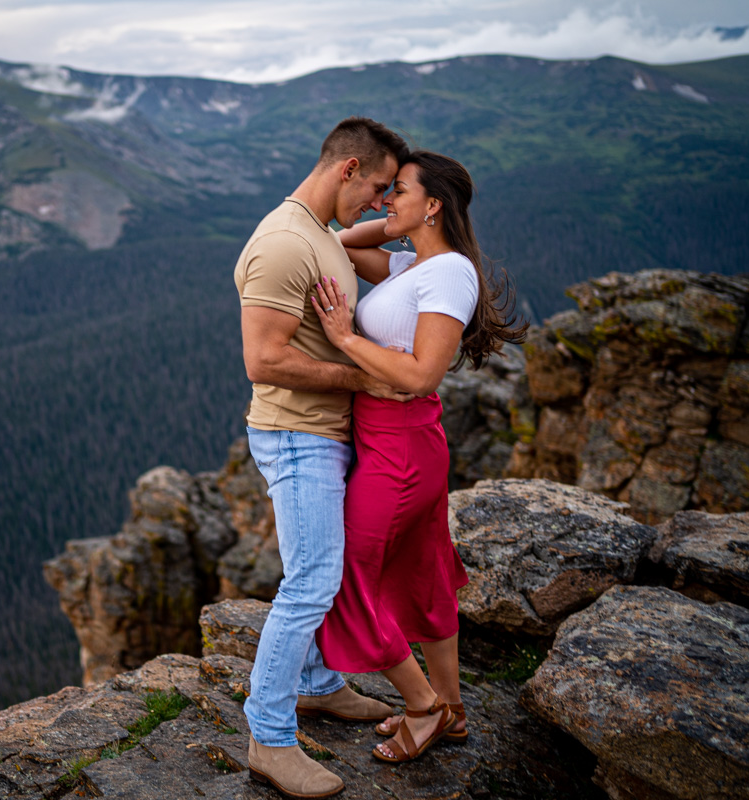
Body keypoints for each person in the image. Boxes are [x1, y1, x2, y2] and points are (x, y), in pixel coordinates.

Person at [312, 150, 527, 764]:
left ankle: (422, 707)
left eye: (398, 190)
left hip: (400, 444)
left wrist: (347, 340)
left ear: (433, 205)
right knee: (425, 575)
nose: (385, 200)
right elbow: (343, 239)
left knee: (349, 576)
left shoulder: (450, 273)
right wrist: (397, 217)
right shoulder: (413, 264)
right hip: (397, 441)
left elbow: (423, 372)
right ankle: (452, 711)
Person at [234, 117, 410, 799]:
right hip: (297, 435)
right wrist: (360, 380)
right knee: (310, 582)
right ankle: (268, 739)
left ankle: (313, 686)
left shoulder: (320, 234)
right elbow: (263, 358)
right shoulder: (284, 244)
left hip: (324, 434)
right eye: (376, 186)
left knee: (327, 575)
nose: (377, 200)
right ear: (347, 168)